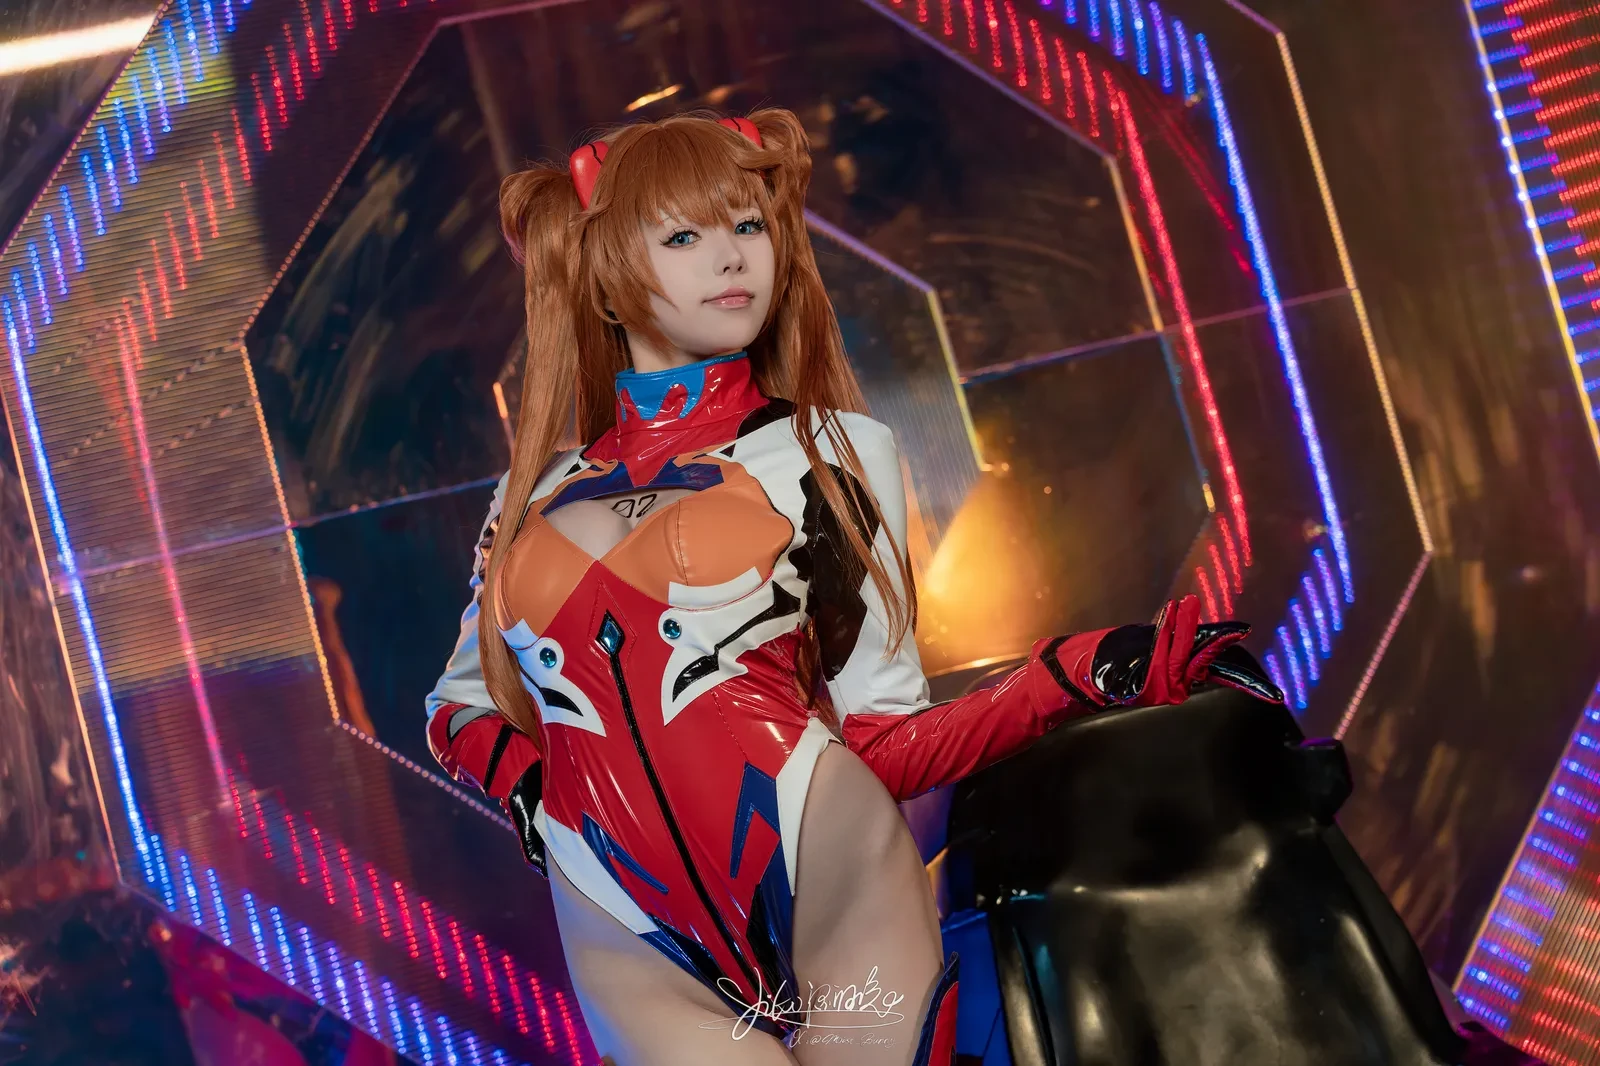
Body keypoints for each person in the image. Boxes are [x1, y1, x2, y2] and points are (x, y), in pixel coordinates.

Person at [424, 108, 1280, 1066]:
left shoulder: (834, 450)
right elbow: (458, 706)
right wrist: (539, 798)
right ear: (606, 282)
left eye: (749, 225)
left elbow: (884, 737)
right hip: (621, 921)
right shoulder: (532, 494)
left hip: (836, 876)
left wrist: (1075, 675)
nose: (733, 257)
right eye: (685, 237)